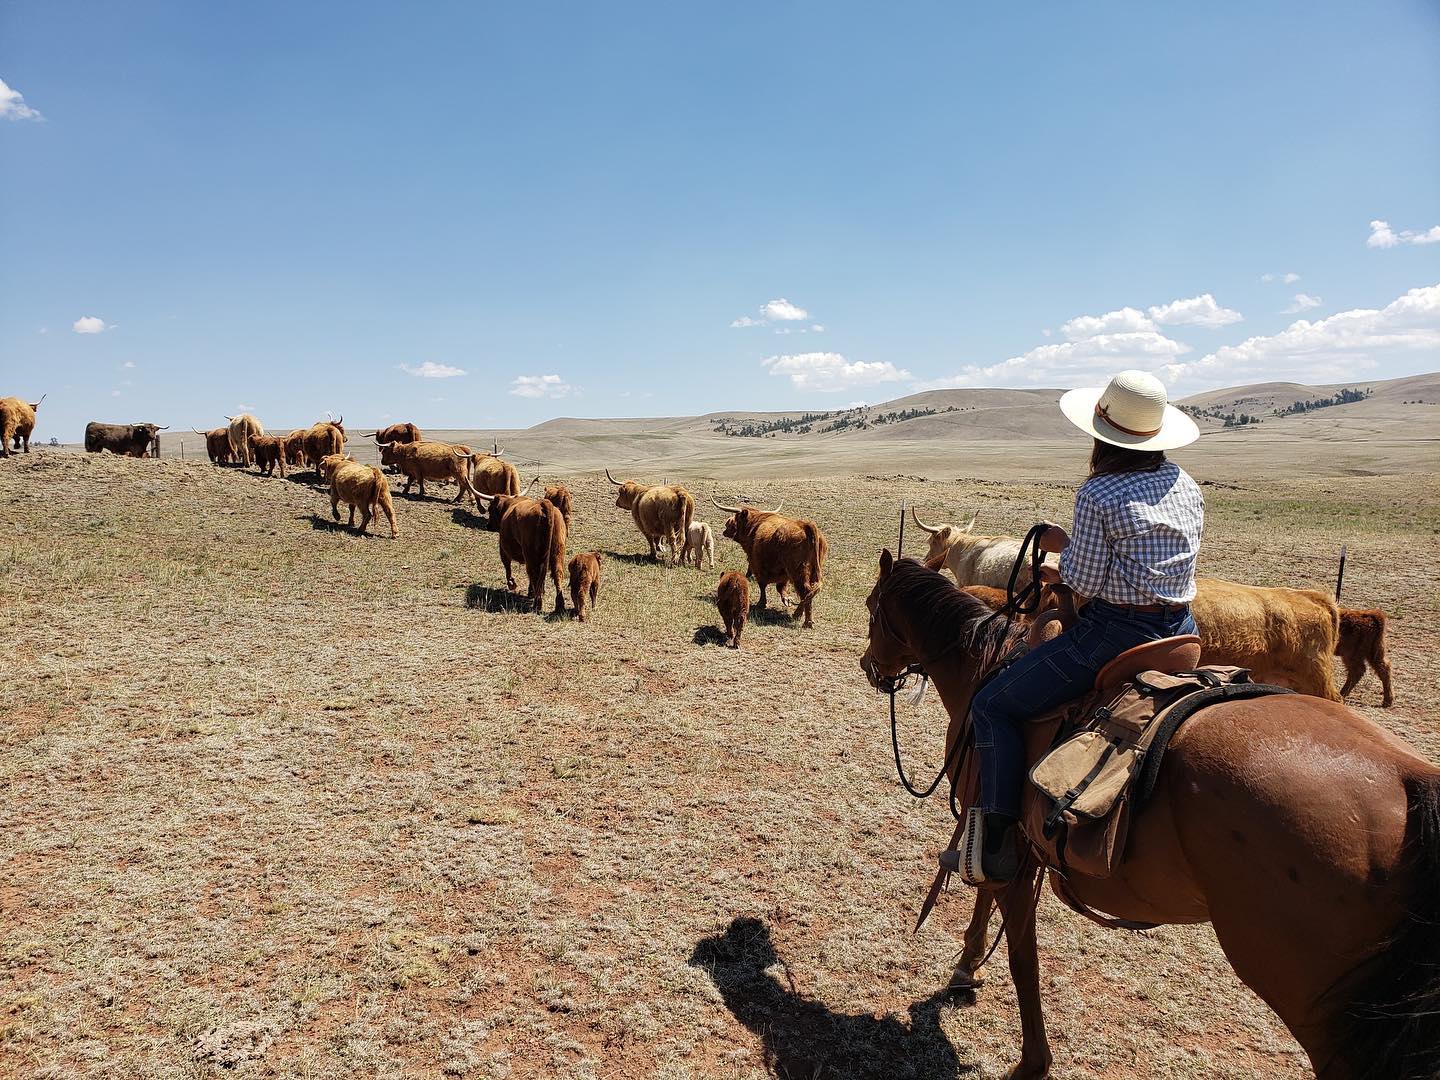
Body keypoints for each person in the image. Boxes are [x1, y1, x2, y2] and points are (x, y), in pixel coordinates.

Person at [964, 369, 1204, 884]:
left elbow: (1084, 579)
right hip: (1181, 627)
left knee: (992, 704)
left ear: (1102, 431)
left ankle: (998, 837)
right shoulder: (1184, 482)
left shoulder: (1100, 492)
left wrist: (1059, 554)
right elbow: (1144, 557)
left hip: (1116, 632)